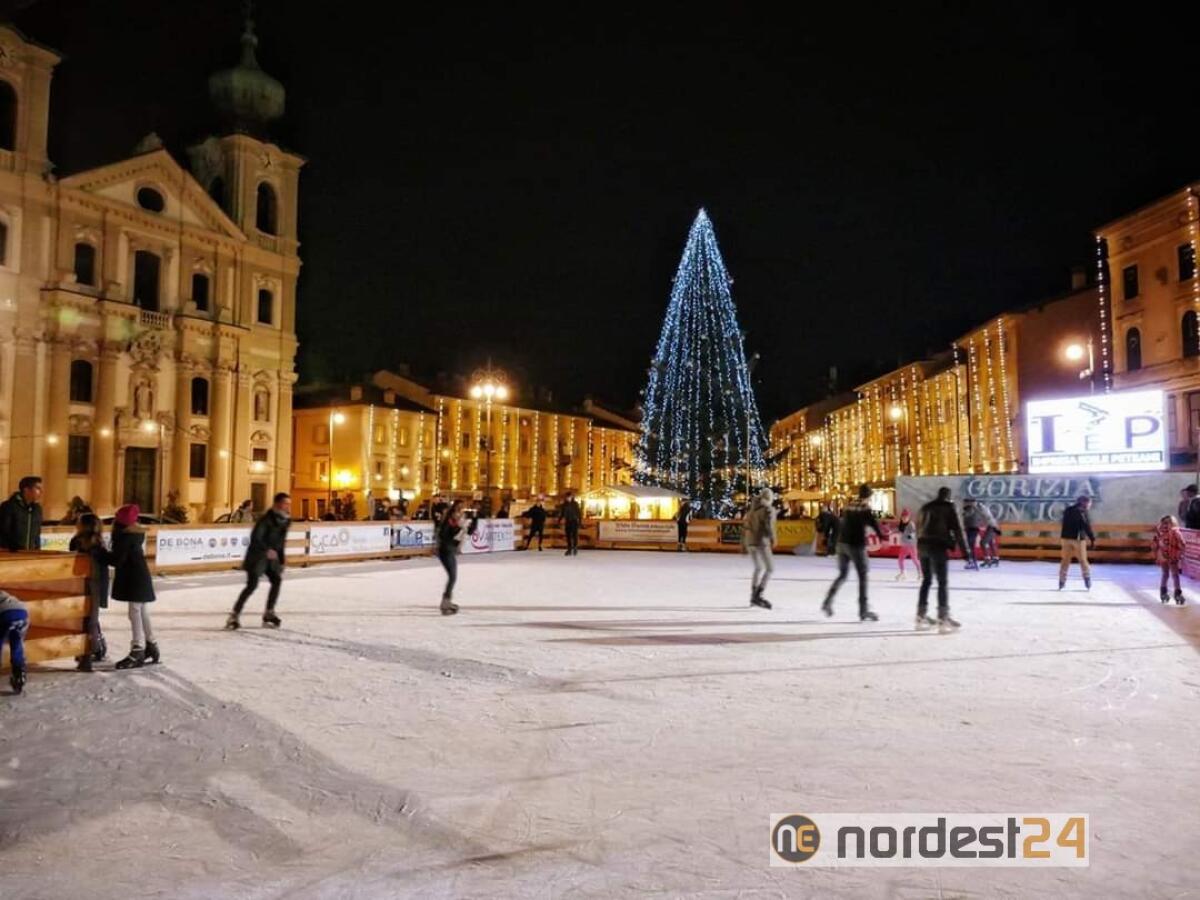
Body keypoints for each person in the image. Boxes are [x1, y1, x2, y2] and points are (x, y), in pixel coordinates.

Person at [226, 492, 291, 631]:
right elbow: (256, 538)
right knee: (252, 585)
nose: (287, 506)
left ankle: (269, 612)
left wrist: (282, 558)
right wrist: (267, 550)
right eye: (285, 503)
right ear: (277, 504)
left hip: (271, 558)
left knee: (277, 580)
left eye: (288, 504)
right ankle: (234, 615)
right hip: (257, 557)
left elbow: (280, 542)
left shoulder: (285, 520)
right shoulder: (266, 519)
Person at [822, 484, 884, 621]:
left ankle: (828, 601)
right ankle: (863, 610)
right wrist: (881, 536)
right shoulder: (864, 508)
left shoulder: (849, 505)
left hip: (842, 544)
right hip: (856, 545)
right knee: (863, 576)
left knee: (842, 575)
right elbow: (873, 523)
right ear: (868, 496)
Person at [110, 504, 158, 669]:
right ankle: (151, 644)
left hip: (135, 578)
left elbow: (117, 560)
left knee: (135, 611)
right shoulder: (134, 535)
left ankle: (137, 649)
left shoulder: (125, 537)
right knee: (141, 610)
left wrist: (97, 552)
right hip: (139, 577)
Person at [915, 487, 968, 631]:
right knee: (942, 582)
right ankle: (943, 618)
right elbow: (957, 529)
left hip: (922, 547)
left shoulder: (925, 508)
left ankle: (920, 615)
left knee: (926, 581)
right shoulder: (948, 507)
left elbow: (918, 527)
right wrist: (965, 552)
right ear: (948, 496)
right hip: (937, 547)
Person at [69, 513, 110, 671]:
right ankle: (92, 650)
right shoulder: (98, 544)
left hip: (82, 583)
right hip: (95, 584)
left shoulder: (77, 542)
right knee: (91, 619)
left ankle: (88, 652)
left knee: (83, 619)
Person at [743, 487, 776, 609]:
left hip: (750, 542)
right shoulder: (768, 509)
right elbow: (769, 526)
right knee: (770, 568)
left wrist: (744, 542)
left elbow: (746, 526)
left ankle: (753, 595)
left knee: (758, 568)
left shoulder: (752, 509)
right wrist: (772, 538)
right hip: (761, 541)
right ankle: (758, 595)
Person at [436, 500, 468, 615]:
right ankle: (445, 603)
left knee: (453, 577)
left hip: (449, 550)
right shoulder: (448, 522)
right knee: (452, 577)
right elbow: (444, 536)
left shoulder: (454, 522)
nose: (460, 515)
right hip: (445, 551)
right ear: (454, 512)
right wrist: (458, 528)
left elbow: (463, 534)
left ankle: (446, 601)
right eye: (459, 512)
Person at [1059, 496, 1096, 590]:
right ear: (1084, 503)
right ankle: (1087, 578)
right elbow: (1086, 525)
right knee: (1083, 560)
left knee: (1065, 560)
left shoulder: (1068, 510)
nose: (1089, 506)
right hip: (1078, 539)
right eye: (1089, 503)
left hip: (1065, 538)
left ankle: (1061, 580)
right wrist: (1092, 538)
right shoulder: (1082, 512)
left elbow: (1063, 522)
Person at [0, 475, 43, 551]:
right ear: (26, 489)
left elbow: (37, 533)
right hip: (12, 554)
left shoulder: (37, 509)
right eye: (37, 488)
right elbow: (4, 531)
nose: (41, 492)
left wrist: (37, 548)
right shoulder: (9, 506)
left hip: (32, 554)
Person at [1153, 514, 1187, 605]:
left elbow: (1154, 544)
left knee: (1165, 574)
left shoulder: (1159, 531)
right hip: (1173, 556)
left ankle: (1163, 593)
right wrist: (1181, 553)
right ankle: (1177, 594)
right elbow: (1182, 543)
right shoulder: (1175, 531)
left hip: (1162, 556)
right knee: (1175, 575)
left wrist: (1157, 555)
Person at [1, 590, 28, 693]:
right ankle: (19, 675)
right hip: (22, 612)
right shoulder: (7, 596)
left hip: (4, 614)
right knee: (17, 643)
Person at [894, 508, 921, 581]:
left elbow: (914, 533)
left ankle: (920, 573)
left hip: (912, 545)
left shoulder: (911, 524)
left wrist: (909, 536)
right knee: (900, 559)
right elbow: (898, 530)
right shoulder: (901, 524)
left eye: (906, 517)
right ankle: (903, 573)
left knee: (915, 559)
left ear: (909, 517)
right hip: (904, 545)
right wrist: (891, 531)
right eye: (903, 517)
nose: (904, 518)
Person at [961, 499, 983, 570]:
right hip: (972, 528)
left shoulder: (970, 508)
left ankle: (972, 561)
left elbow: (967, 514)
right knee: (970, 545)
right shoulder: (976, 508)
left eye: (964, 502)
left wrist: (963, 514)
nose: (964, 504)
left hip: (972, 529)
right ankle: (972, 561)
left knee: (970, 545)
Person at [560, 491, 583, 556]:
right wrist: (559, 520)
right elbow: (562, 513)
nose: (568, 498)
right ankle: (569, 549)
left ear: (571, 497)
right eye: (567, 497)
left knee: (574, 535)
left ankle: (575, 548)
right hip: (568, 521)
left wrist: (580, 521)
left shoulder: (575, 504)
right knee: (568, 536)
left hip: (574, 521)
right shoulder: (564, 504)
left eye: (569, 497)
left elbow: (579, 513)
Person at [979, 502, 1001, 567]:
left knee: (983, 542)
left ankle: (987, 560)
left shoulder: (982, 509)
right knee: (991, 542)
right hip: (993, 526)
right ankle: (995, 559)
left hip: (992, 527)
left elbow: (986, 518)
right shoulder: (984, 509)